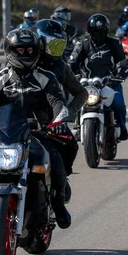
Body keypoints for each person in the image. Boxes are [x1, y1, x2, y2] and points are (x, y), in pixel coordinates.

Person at [0, 28, 72, 229]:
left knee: (54, 160)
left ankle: (58, 205)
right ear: (10, 50)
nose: (25, 54)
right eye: (20, 50)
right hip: (5, 132)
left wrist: (58, 122)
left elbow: (57, 101)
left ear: (37, 51)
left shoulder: (45, 77)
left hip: (38, 131)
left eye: (29, 50)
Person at [35, 19, 88, 202]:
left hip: (52, 121)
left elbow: (81, 93)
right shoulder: (23, 61)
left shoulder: (60, 66)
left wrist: (68, 113)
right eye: (53, 45)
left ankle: (60, 184)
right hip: (19, 120)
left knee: (71, 146)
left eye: (59, 46)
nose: (56, 51)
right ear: (39, 42)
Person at [70, 14, 128, 141]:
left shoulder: (114, 43)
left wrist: (120, 76)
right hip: (86, 84)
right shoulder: (83, 44)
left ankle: (122, 126)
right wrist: (71, 76)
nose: (98, 33)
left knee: (119, 104)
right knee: (75, 100)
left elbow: (123, 62)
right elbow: (72, 63)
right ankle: (77, 126)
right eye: (95, 30)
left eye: (101, 30)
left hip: (109, 83)